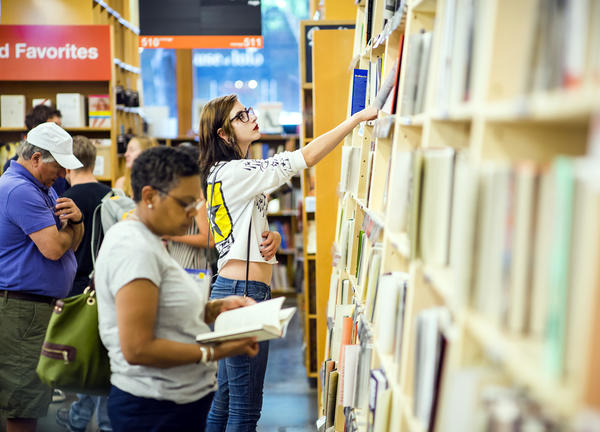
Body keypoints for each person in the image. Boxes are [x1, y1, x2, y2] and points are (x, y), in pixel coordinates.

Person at [197, 94, 378, 430]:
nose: (251, 117)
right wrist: (354, 121)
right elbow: (303, 158)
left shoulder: (224, 171)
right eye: (241, 116)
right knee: (245, 408)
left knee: (225, 399)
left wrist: (274, 237)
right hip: (243, 292)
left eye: (248, 111)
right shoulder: (236, 171)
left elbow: (236, 227)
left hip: (233, 286)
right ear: (223, 134)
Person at [95, 146, 260, 432]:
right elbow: (137, 348)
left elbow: (162, 313)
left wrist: (215, 309)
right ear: (149, 197)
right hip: (154, 409)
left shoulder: (150, 240)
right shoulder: (134, 249)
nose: (194, 214)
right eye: (185, 203)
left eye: (197, 203)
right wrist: (214, 351)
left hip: (172, 404)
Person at [0, 122, 84, 432]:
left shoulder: (42, 189)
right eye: (59, 166)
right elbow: (53, 248)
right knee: (23, 404)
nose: (63, 174)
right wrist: (76, 224)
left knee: (31, 399)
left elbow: (70, 245)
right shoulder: (21, 190)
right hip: (24, 311)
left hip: (35, 308)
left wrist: (75, 225)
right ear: (36, 158)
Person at [54, 135, 113, 432]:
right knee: (102, 356)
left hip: (75, 286)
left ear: (66, 165)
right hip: (107, 283)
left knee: (85, 357)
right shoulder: (112, 195)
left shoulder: (65, 200)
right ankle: (86, 418)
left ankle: (92, 421)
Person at [1, 104, 68, 196]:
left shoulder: (60, 160)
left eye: (60, 127)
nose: (60, 132)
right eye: (54, 126)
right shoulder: (13, 166)